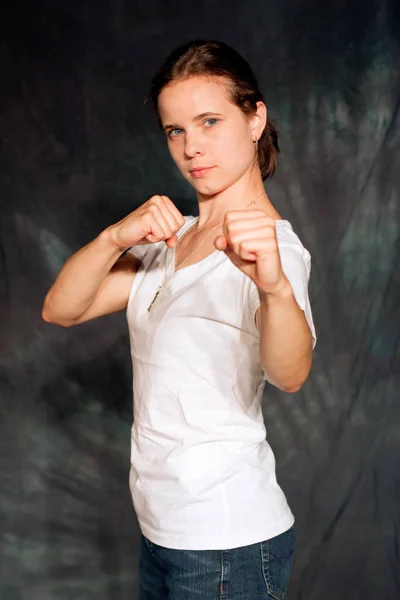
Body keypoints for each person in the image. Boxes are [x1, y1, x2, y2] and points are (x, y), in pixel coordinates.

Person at [42, 40, 317, 600]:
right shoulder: (168, 239)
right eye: (176, 130)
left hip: (226, 541)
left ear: (255, 116)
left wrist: (274, 288)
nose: (193, 147)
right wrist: (114, 236)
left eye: (210, 121)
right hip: (162, 529)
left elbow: (291, 373)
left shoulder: (274, 251)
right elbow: (61, 309)